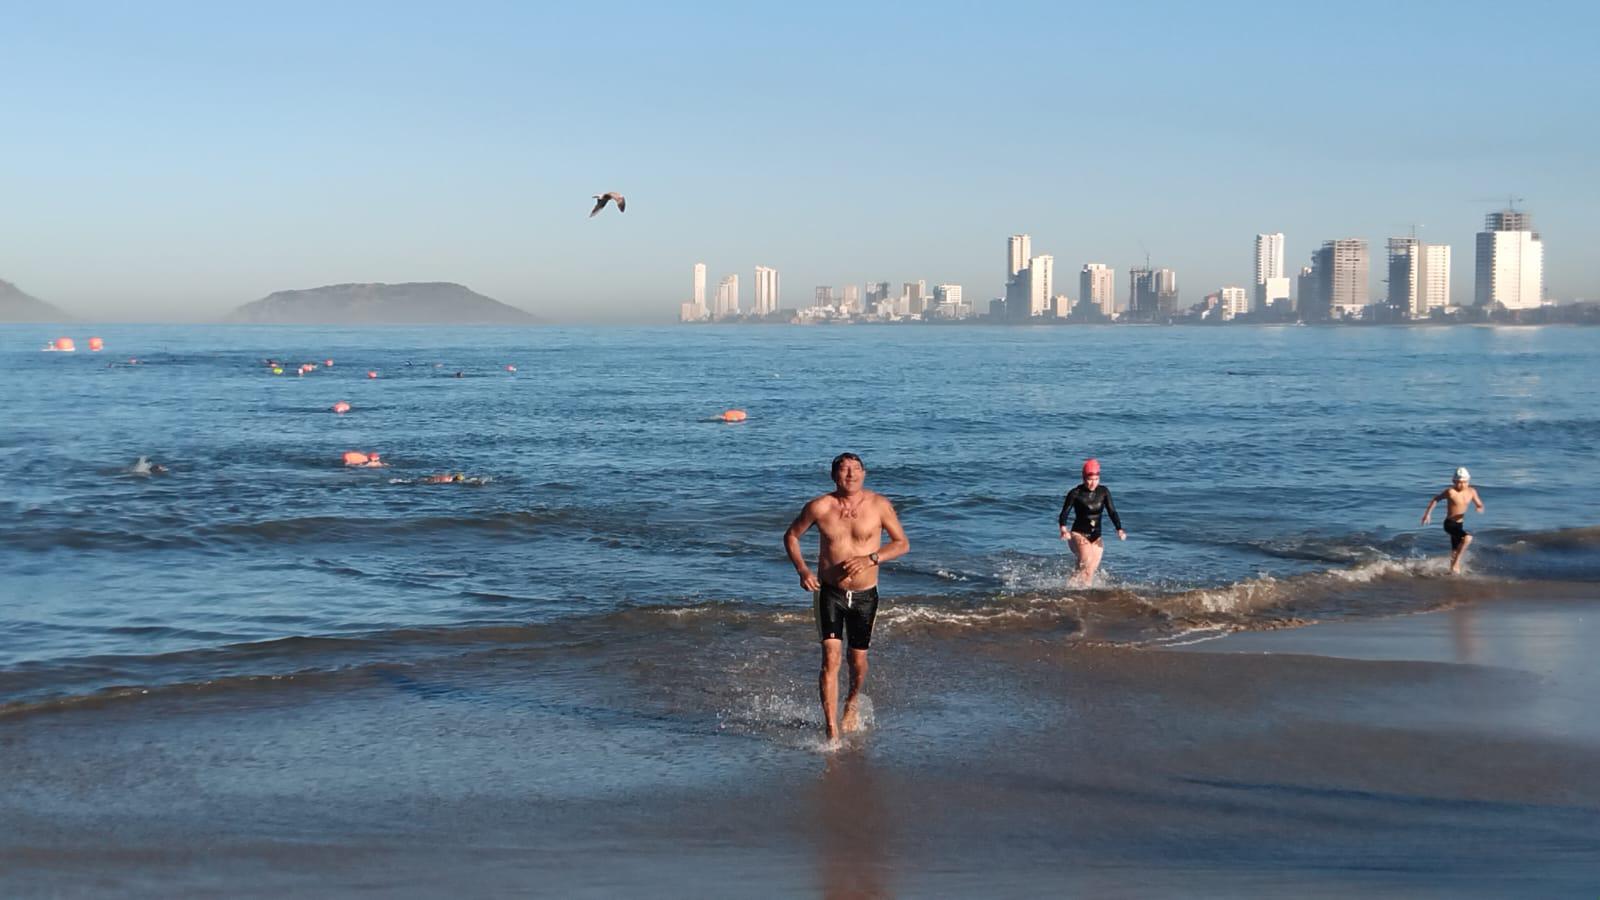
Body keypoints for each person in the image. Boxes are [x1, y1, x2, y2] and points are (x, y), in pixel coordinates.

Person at [784, 452, 910, 743]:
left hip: (865, 595)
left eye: (855, 469)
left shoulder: (879, 505)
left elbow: (902, 543)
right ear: (833, 476)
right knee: (830, 657)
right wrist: (803, 570)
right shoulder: (819, 507)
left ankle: (851, 701)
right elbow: (791, 536)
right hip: (830, 592)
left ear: (864, 474)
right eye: (843, 470)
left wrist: (871, 559)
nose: (850, 475)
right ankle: (831, 729)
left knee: (858, 661)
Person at [1058, 458, 1125, 587]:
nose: (1093, 483)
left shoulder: (1104, 492)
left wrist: (1119, 529)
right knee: (1086, 561)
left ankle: (1084, 594)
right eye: (1090, 479)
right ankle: (1067, 589)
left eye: (1096, 479)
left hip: (1096, 536)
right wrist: (1063, 529)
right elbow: (1064, 513)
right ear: (1083, 478)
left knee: (1090, 571)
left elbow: (1112, 511)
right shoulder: (1075, 493)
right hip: (1079, 534)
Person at [1422, 467, 1485, 574]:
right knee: (1468, 538)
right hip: (1449, 524)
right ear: (1454, 481)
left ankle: (1452, 571)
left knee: (1455, 551)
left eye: (1464, 482)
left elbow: (1479, 503)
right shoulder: (1450, 492)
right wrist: (1427, 514)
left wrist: (1479, 507)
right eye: (1459, 482)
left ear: (1468, 481)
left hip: (1460, 524)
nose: (1461, 485)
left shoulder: (1472, 491)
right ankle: (1456, 564)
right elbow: (1436, 499)